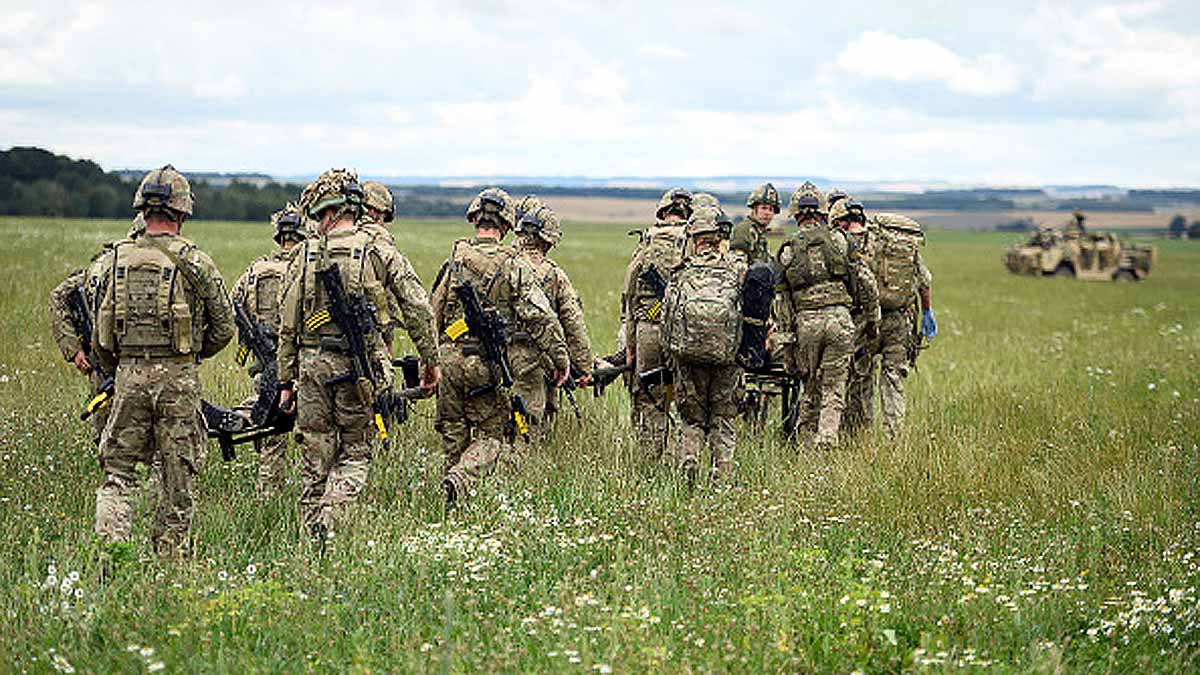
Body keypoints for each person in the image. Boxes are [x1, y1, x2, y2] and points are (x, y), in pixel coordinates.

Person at [277, 169, 440, 538]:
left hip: (310, 370)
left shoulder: (302, 254)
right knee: (354, 455)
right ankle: (329, 520)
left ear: (326, 210)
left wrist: (286, 381)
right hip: (359, 369)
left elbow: (286, 323)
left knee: (314, 459)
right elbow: (416, 307)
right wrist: (431, 360)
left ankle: (310, 539)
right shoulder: (378, 249)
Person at [91, 165, 235, 558]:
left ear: (142, 208)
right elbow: (225, 325)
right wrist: (190, 356)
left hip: (128, 376)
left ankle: (110, 558)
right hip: (179, 381)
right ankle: (168, 564)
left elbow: (98, 333)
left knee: (118, 476)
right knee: (177, 479)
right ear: (182, 212)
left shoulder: (113, 260)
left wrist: (124, 364)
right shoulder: (196, 261)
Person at [429, 188, 568, 505]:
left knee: (453, 431)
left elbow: (430, 313)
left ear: (474, 219)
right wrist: (560, 358)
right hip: (485, 362)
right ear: (506, 226)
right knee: (492, 436)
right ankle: (461, 479)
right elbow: (540, 316)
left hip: (449, 358)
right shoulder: (514, 265)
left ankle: (453, 496)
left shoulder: (454, 261)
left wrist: (430, 361)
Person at [775, 182, 878, 451]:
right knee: (834, 385)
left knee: (810, 386)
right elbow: (866, 282)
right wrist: (872, 319)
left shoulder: (787, 250)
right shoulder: (841, 241)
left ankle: (807, 449)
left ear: (796, 215)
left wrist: (787, 346)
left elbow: (783, 305)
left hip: (807, 324)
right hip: (840, 321)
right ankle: (828, 437)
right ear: (823, 213)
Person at [662, 207, 746, 485]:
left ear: (694, 238)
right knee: (723, 420)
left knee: (691, 419)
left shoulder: (681, 272)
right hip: (727, 358)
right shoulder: (738, 268)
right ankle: (722, 477)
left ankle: (689, 459)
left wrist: (673, 357)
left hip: (688, 359)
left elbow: (668, 320)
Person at [229, 203, 305, 496]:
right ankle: (274, 499)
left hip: (265, 362)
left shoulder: (254, 271)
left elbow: (232, 308)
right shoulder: (305, 270)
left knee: (269, 428)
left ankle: (268, 494)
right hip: (299, 363)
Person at [512, 196, 594, 435]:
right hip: (538, 359)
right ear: (547, 242)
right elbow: (573, 322)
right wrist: (585, 366)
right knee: (529, 426)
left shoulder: (502, 263)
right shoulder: (554, 275)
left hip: (496, 359)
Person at [621, 188, 692, 464]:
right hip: (684, 331)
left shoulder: (647, 242)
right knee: (684, 397)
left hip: (648, 329)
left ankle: (650, 461)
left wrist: (630, 344)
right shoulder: (694, 242)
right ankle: (681, 458)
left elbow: (629, 295)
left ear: (662, 213)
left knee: (649, 397)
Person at [730, 183, 781, 265]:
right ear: (754, 209)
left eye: (771, 209)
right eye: (763, 208)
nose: (767, 213)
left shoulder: (759, 232)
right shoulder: (744, 230)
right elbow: (737, 264)